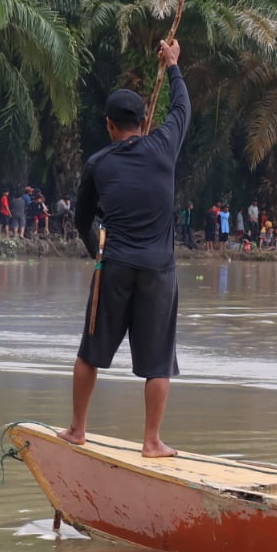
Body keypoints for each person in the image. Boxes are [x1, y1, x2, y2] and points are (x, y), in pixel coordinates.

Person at [60, 37, 188, 459]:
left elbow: (82, 219)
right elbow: (182, 108)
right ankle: (152, 442)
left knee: (90, 352)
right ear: (145, 119)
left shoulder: (99, 164)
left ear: (110, 125)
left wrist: (94, 250)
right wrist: (172, 64)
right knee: (158, 362)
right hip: (158, 271)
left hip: (113, 266)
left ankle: (78, 429)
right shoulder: (165, 145)